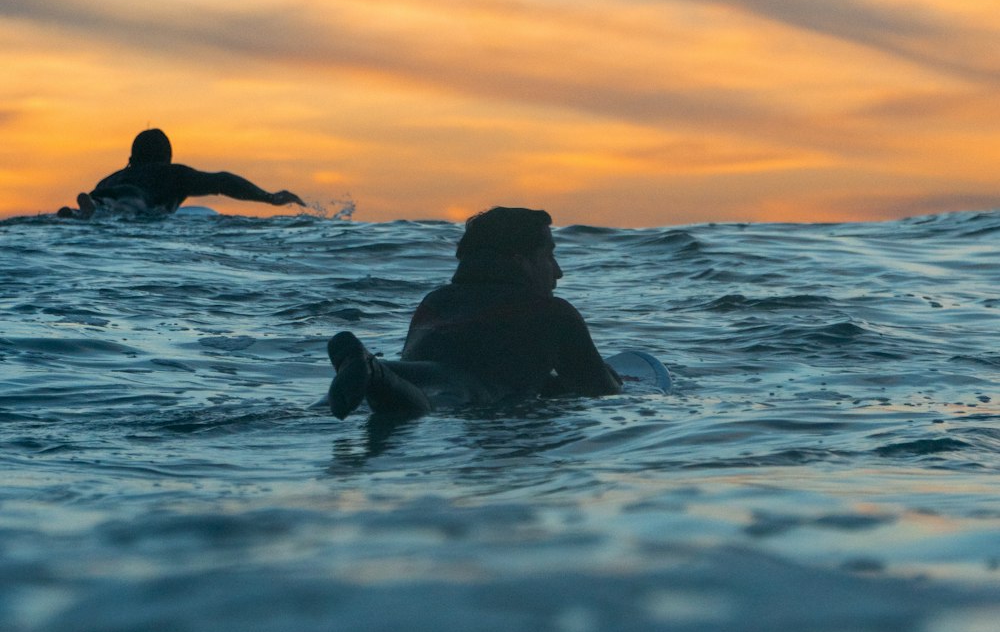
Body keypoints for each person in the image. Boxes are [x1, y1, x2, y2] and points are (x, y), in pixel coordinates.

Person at [326, 206, 621, 418]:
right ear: (520, 261)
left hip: (406, 373)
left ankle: (372, 367)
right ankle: (374, 370)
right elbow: (601, 391)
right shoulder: (551, 312)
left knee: (386, 392)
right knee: (423, 407)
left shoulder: (435, 302)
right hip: (463, 389)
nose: (558, 272)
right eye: (548, 255)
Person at [57, 128, 305, 218]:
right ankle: (97, 210)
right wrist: (268, 197)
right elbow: (222, 181)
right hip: (136, 197)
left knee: (104, 205)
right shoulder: (173, 174)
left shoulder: (111, 177)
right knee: (131, 206)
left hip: (105, 191)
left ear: (132, 158)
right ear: (167, 158)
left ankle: (86, 211)